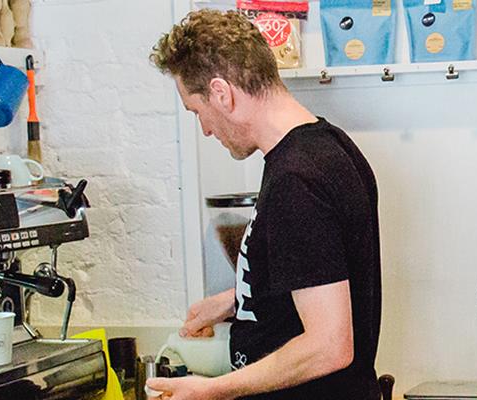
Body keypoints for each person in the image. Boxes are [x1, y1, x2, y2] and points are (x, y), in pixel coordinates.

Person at [146, 9, 383, 400]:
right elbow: (320, 279)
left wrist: (213, 390)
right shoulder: (329, 145)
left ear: (221, 93)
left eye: (197, 111)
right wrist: (233, 301)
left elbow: (329, 347)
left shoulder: (297, 179)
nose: (205, 129)